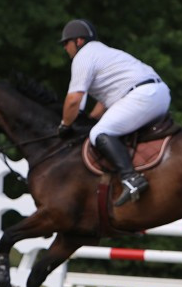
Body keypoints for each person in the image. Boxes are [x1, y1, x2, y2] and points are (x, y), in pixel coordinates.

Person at [57, 19, 171, 206]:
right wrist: (93, 118)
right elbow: (106, 100)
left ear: (78, 41)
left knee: (99, 133)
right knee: (103, 128)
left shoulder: (83, 56)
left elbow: (73, 100)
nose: (64, 48)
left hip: (141, 96)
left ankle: (131, 177)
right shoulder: (103, 53)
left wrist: (65, 125)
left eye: (65, 43)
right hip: (159, 94)